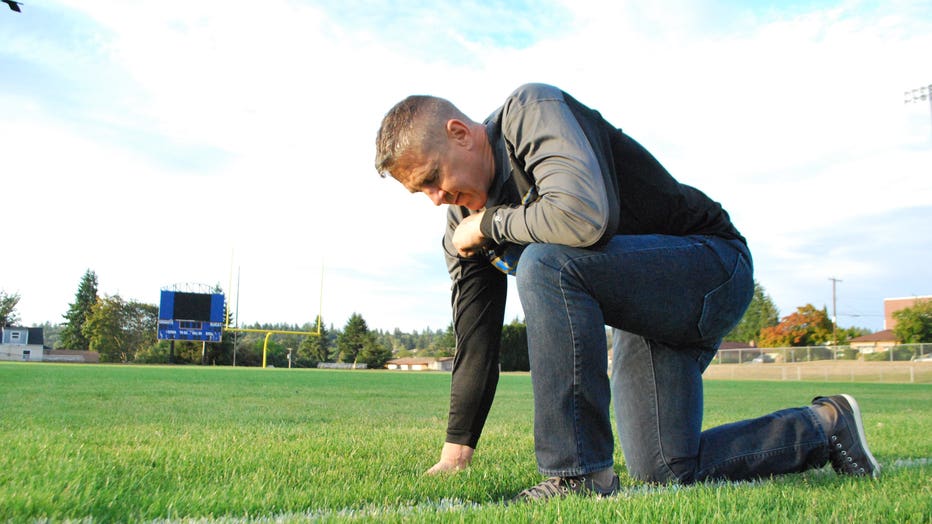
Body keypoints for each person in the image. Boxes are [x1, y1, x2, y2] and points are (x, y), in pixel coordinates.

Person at [374, 83, 880, 501]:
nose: (436, 198)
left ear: (460, 133)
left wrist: (491, 222)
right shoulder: (460, 223)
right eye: (422, 191)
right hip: (644, 312)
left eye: (433, 178)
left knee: (546, 262)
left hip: (710, 266)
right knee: (665, 468)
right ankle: (824, 426)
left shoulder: (531, 112)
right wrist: (456, 451)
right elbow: (476, 339)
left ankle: (578, 475)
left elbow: (582, 218)